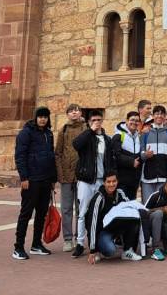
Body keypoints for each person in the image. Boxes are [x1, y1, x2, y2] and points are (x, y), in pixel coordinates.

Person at [13, 105, 58, 260]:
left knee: (41, 214)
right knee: (26, 214)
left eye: (45, 116)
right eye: (40, 116)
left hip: (45, 180)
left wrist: (53, 179)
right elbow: (20, 156)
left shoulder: (49, 134)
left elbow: (51, 157)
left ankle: (36, 244)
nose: (43, 119)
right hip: (31, 180)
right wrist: (23, 177)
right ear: (35, 117)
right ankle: (18, 247)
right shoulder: (26, 133)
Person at [71, 112, 117, 258]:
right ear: (89, 122)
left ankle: (95, 241)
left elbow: (110, 160)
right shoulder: (87, 137)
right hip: (86, 180)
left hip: (100, 181)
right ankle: (79, 243)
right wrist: (90, 130)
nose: (97, 122)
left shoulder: (106, 139)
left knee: (98, 212)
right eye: (94, 120)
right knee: (83, 212)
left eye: (99, 120)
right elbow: (76, 144)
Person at [84, 171, 143, 263]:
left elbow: (129, 207)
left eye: (114, 181)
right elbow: (92, 225)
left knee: (134, 218)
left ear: (117, 181)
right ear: (104, 183)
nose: (111, 184)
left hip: (115, 227)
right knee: (110, 251)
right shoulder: (98, 199)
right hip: (102, 231)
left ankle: (128, 251)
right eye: (108, 182)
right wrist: (92, 250)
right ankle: (98, 249)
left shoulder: (120, 193)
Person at [53, 103, 85, 252]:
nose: (74, 113)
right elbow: (58, 153)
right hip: (66, 175)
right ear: (67, 114)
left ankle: (79, 238)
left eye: (76, 110)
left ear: (80, 113)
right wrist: (60, 173)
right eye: (71, 111)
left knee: (81, 209)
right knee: (66, 209)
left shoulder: (85, 128)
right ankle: (67, 239)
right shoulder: (63, 130)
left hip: (82, 176)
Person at [141, 105, 167, 205]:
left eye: (161, 114)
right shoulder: (145, 133)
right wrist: (145, 155)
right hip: (147, 177)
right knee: (147, 206)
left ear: (164, 116)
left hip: (163, 176)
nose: (159, 116)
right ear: (153, 116)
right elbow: (140, 153)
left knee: (161, 206)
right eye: (157, 113)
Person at [112, 110, 143, 199]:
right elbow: (115, 155)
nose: (134, 122)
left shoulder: (138, 136)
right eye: (132, 120)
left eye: (137, 121)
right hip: (122, 180)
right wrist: (131, 161)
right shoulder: (118, 135)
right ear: (126, 121)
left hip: (134, 181)